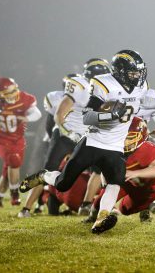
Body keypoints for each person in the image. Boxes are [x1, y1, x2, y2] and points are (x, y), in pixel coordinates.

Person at [20, 49, 155, 234]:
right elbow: (88, 117)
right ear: (121, 72)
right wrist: (112, 114)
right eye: (133, 72)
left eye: (139, 72)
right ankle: (43, 176)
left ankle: (101, 219)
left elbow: (143, 100)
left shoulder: (138, 86)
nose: (137, 76)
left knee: (115, 183)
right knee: (62, 183)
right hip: (93, 142)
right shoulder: (104, 84)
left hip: (115, 146)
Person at [18, 59, 111, 217]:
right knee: (49, 169)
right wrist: (68, 132)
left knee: (101, 169)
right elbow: (59, 115)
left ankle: (88, 205)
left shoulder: (105, 92)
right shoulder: (79, 86)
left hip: (85, 136)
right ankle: (26, 208)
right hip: (65, 134)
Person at [85, 116, 155, 223]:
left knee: (125, 209)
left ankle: (146, 207)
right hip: (123, 181)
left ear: (141, 137)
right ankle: (92, 218)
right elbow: (105, 167)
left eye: (130, 137)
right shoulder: (112, 147)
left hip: (146, 187)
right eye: (122, 136)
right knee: (101, 199)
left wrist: (134, 173)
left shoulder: (146, 148)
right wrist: (106, 185)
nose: (125, 142)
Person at [0, 78, 41, 207]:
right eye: (8, 93)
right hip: (0, 140)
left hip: (18, 140)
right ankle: (15, 194)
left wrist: (26, 117)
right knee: (13, 161)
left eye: (14, 91)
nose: (12, 95)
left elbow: (37, 114)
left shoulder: (24, 98)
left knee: (9, 170)